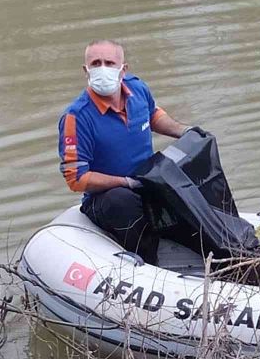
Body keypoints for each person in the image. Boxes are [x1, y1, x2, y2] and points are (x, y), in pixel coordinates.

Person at [58, 39, 204, 264]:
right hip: (106, 198)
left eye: (109, 62)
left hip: (146, 181)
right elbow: (75, 178)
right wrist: (125, 182)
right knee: (122, 201)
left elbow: (154, 115)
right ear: (85, 70)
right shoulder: (77, 117)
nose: (102, 68)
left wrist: (185, 131)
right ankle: (146, 262)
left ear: (123, 69)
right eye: (96, 63)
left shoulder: (137, 88)